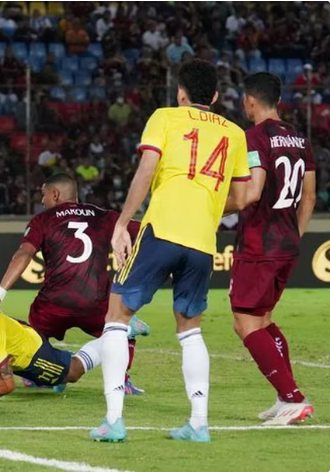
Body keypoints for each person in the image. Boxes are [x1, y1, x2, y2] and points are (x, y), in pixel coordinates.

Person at [91, 60, 250, 443]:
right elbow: (243, 196)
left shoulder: (165, 117)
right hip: (202, 241)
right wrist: (208, 207)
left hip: (162, 228)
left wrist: (121, 222)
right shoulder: (236, 133)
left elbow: (147, 171)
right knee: (190, 329)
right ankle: (199, 423)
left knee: (117, 315)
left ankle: (113, 421)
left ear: (181, 93)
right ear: (214, 96)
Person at [0, 173, 150, 394]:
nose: (41, 201)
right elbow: (145, 232)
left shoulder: (42, 220)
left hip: (54, 303)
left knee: (33, 334)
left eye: (43, 195)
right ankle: (122, 380)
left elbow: (24, 253)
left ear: (55, 194)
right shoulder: (104, 216)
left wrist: (0, 292)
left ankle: (40, 377)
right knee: (122, 328)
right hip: (95, 301)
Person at [231, 72, 316, 425]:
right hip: (287, 242)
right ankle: (286, 397)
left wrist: (214, 207)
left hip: (259, 243)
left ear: (249, 101)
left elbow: (253, 191)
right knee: (262, 320)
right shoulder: (299, 137)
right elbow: (308, 197)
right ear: (277, 100)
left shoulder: (253, 137)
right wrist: (291, 235)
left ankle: (292, 397)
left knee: (245, 323)